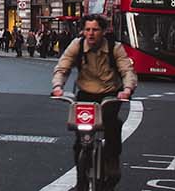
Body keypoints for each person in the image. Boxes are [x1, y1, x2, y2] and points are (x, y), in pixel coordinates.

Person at [50, 14, 137, 176]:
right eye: (87, 29)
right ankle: (82, 171)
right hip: (86, 95)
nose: (90, 33)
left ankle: (111, 160)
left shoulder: (115, 48)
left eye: (95, 30)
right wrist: (57, 86)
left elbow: (127, 71)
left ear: (103, 31)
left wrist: (127, 90)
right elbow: (63, 67)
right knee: (81, 136)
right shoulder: (77, 45)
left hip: (109, 95)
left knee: (111, 126)